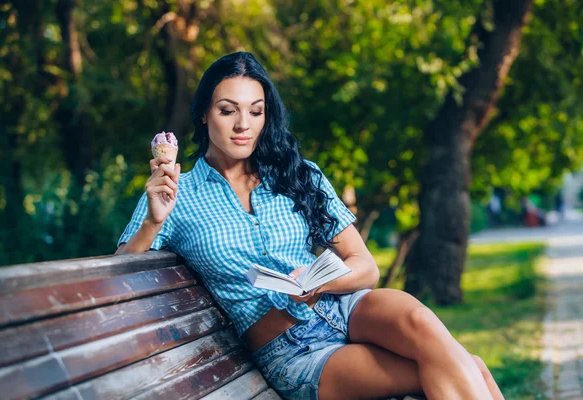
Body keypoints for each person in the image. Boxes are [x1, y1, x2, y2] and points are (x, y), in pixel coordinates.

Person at [115, 52, 504, 400]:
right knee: (467, 367)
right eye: (227, 110)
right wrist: (153, 221)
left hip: (346, 306)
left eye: (256, 110)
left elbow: (365, 266)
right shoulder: (174, 193)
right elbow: (118, 275)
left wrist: (321, 283)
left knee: (432, 334)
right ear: (204, 113)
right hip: (293, 350)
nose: (243, 125)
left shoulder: (297, 174)